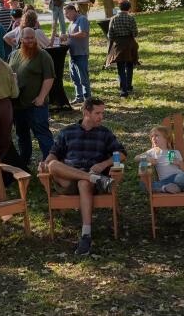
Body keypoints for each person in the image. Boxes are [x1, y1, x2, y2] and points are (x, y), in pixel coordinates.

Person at [38, 99, 125, 256]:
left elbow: (121, 153)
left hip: (89, 182)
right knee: (53, 165)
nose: (101, 117)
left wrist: (103, 165)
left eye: (102, 113)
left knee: (84, 183)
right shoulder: (67, 132)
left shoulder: (104, 133)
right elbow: (53, 154)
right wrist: (44, 164)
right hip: (69, 179)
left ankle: (86, 235)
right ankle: (93, 178)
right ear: (86, 113)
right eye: (97, 113)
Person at [9, 28, 55, 167]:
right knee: (21, 135)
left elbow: (49, 78)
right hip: (18, 104)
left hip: (36, 104)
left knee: (42, 134)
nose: (30, 40)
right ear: (21, 39)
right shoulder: (14, 54)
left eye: (32, 37)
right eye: (27, 38)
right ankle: (24, 162)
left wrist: (41, 97)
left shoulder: (43, 55)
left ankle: (51, 163)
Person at [135, 126, 184, 193]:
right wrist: (147, 158)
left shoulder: (173, 152)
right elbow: (136, 158)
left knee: (181, 177)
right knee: (144, 185)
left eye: (156, 135)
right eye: (152, 136)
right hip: (165, 181)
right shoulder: (152, 152)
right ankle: (168, 188)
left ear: (166, 138)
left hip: (177, 177)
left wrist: (179, 163)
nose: (153, 138)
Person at [106, 0, 139, 97]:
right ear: (129, 8)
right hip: (129, 44)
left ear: (119, 8)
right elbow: (135, 33)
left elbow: (110, 34)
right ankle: (129, 86)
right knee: (129, 65)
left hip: (118, 45)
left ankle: (123, 91)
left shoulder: (113, 18)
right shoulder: (131, 18)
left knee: (120, 68)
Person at [61, 3, 92, 102]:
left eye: (67, 13)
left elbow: (83, 33)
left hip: (81, 54)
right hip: (72, 54)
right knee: (74, 77)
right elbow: (71, 38)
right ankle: (79, 97)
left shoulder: (82, 19)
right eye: (64, 14)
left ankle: (88, 99)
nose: (66, 16)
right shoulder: (71, 22)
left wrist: (68, 36)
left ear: (73, 11)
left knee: (83, 78)